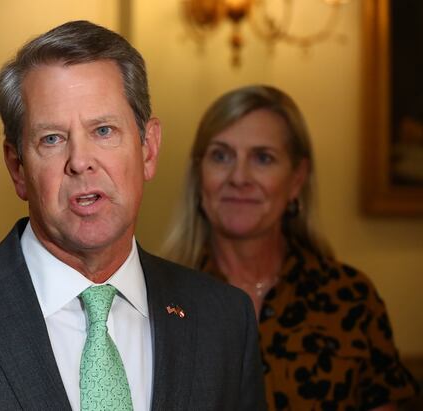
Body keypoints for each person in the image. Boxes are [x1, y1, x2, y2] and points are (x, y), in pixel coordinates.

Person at [0, 21, 266, 410]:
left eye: (103, 131)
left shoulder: (224, 320)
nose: (80, 161)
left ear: (148, 149)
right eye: (52, 138)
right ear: (17, 167)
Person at [163, 85, 419, 410]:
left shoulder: (350, 298)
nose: (239, 177)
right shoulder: (162, 300)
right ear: (199, 176)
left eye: (263, 158)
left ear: (297, 178)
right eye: (221, 155)